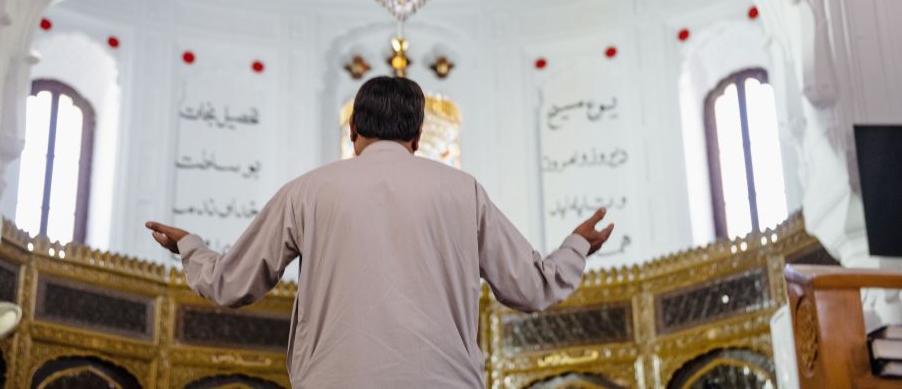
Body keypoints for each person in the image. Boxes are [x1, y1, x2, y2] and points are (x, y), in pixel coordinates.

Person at [147, 76, 613, 388]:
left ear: (354, 128)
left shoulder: (308, 191)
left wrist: (189, 247)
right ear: (418, 133)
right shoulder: (462, 191)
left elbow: (232, 284)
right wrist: (576, 247)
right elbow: (531, 287)